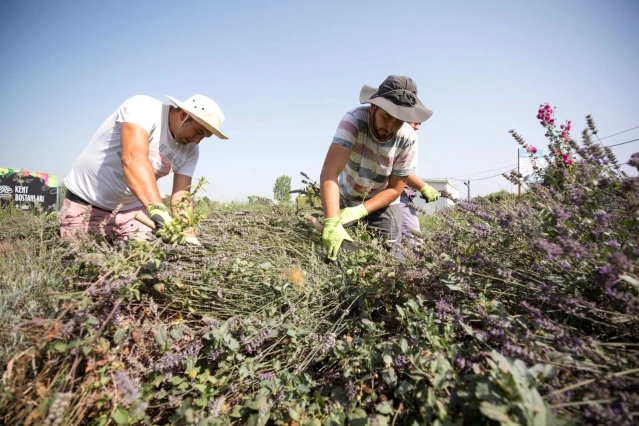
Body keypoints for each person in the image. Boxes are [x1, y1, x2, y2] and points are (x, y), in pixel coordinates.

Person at [60, 94, 228, 244]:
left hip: (133, 212)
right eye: (198, 131)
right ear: (183, 115)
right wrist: (158, 210)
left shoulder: (191, 150)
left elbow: (181, 195)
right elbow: (133, 157)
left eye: (204, 137)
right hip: (87, 205)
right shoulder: (143, 108)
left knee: (143, 269)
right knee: (85, 271)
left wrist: (188, 232)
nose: (197, 141)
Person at [319, 75, 432, 259]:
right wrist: (332, 221)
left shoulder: (408, 137)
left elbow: (396, 188)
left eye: (398, 121)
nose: (390, 127)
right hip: (347, 197)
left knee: (385, 259)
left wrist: (361, 210)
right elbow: (330, 174)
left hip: (383, 204)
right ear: (373, 107)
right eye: (387, 117)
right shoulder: (354, 120)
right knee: (337, 254)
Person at [400, 122, 440, 237]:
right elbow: (401, 172)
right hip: (396, 197)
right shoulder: (397, 138)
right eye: (415, 122)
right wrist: (423, 187)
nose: (417, 127)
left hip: (401, 194)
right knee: (412, 238)